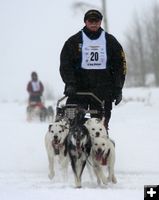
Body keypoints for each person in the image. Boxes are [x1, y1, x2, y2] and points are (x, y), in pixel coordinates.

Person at [59, 9, 127, 130]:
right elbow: (65, 64)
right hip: (78, 90)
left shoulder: (110, 41)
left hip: (103, 90)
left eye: (97, 21)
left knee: (100, 126)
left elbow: (120, 66)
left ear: (101, 22)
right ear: (85, 22)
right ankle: (74, 144)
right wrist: (70, 83)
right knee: (72, 121)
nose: (94, 23)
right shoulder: (73, 42)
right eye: (91, 21)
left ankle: (100, 146)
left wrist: (118, 88)